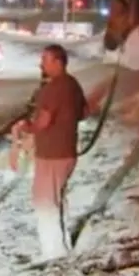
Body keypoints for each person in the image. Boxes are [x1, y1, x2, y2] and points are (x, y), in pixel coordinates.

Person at [15, 44, 93, 262]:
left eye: (45, 60)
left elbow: (44, 121)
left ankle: (53, 253)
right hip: (68, 152)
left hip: (51, 154)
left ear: (58, 62)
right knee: (57, 199)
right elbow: (84, 112)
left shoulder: (53, 89)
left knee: (44, 202)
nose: (42, 64)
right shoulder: (73, 85)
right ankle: (63, 244)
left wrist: (26, 127)